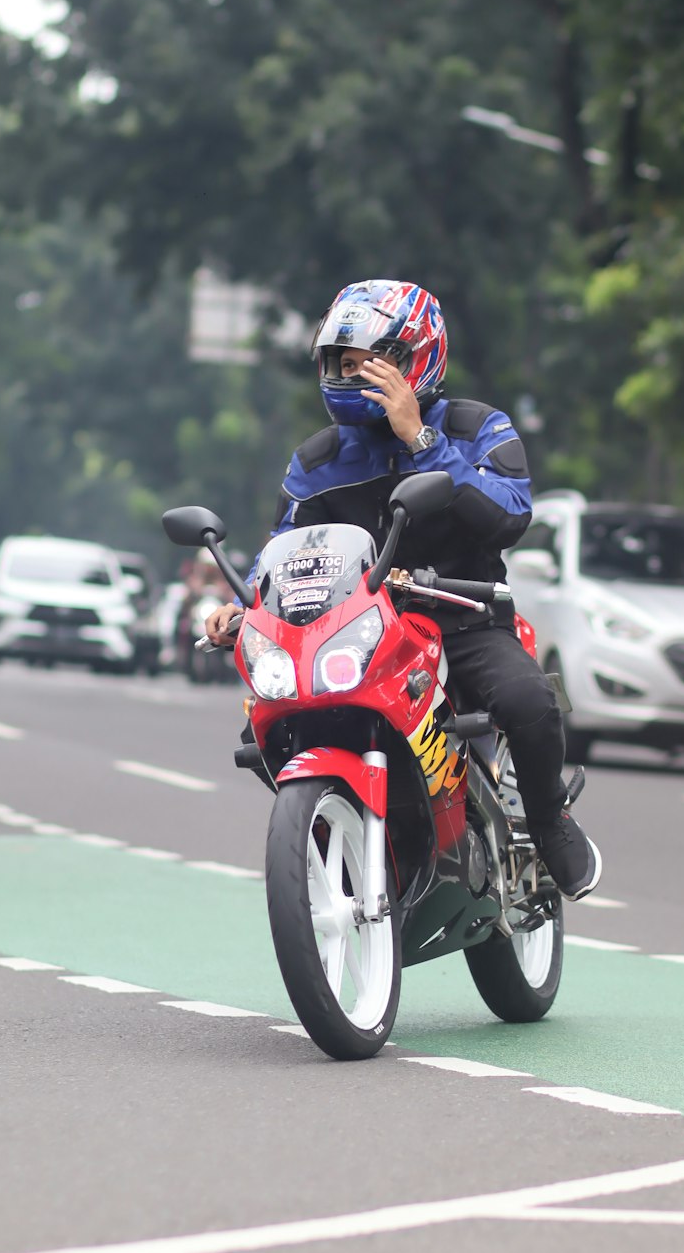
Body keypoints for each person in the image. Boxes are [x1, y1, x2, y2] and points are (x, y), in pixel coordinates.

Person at [205, 278, 602, 900]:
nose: (355, 375)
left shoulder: (479, 428)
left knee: (530, 701)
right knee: (265, 725)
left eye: (373, 363)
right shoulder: (316, 459)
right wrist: (245, 599)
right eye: (343, 363)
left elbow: (510, 517)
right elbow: (286, 544)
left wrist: (423, 440)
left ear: (419, 358)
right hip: (360, 627)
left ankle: (551, 823)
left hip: (464, 618)